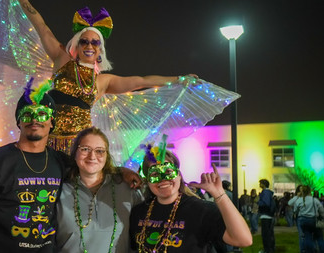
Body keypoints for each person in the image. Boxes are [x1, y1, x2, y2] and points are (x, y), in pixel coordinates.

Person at [15, 1, 240, 159]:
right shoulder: (62, 60)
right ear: (76, 44)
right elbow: (41, 26)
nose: (90, 46)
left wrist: (179, 79)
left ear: (100, 49)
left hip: (78, 145)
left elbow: (141, 81)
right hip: (48, 138)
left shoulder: (103, 82)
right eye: (85, 41)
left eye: (95, 42)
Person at [0, 82, 67, 252]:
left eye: (43, 114)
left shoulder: (63, 163)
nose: (35, 119)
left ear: (52, 122)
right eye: (27, 114)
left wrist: (123, 174)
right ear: (18, 121)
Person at [129, 146, 252, 252]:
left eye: (168, 171)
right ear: (147, 180)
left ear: (179, 175)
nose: (163, 179)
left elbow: (243, 239)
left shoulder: (200, 210)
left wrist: (219, 194)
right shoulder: (138, 213)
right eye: (155, 174)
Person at [56, 127, 143, 252]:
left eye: (100, 151)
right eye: (85, 149)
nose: (92, 156)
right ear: (75, 153)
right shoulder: (58, 190)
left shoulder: (128, 188)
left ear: (107, 156)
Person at [290, 185, 324, 253]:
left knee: (307, 237)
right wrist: (322, 217)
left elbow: (295, 209)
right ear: (309, 191)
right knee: (319, 237)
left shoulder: (299, 200)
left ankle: (309, 251)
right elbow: (321, 209)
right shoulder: (314, 200)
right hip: (313, 220)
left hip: (303, 220)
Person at [258, 179, 276, 253]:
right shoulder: (269, 193)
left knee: (265, 235)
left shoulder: (265, 192)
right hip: (269, 216)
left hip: (265, 215)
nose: (259, 184)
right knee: (269, 234)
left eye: (260, 183)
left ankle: (267, 250)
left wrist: (258, 202)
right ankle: (271, 249)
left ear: (264, 184)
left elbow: (266, 203)